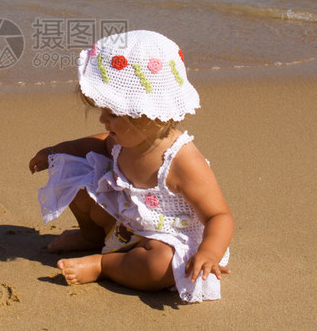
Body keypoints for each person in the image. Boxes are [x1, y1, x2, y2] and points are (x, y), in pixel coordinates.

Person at [28, 30, 234, 303]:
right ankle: (92, 236)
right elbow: (98, 144)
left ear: (147, 113)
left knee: (159, 266)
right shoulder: (122, 140)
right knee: (75, 169)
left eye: (112, 113)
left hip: (167, 238)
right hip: (126, 222)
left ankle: (106, 266)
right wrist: (57, 151)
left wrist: (209, 252)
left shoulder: (181, 161)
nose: (102, 119)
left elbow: (219, 216)